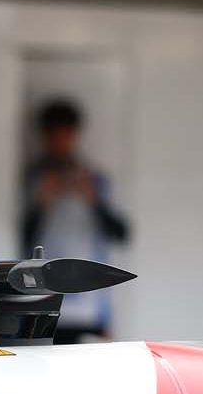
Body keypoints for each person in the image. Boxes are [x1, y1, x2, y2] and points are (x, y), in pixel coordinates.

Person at [21, 99, 127, 342]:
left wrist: (94, 201)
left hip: (89, 307)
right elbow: (17, 237)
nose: (60, 143)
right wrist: (41, 204)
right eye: (54, 136)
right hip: (42, 302)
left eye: (65, 135)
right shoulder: (33, 179)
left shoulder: (94, 179)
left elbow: (121, 234)